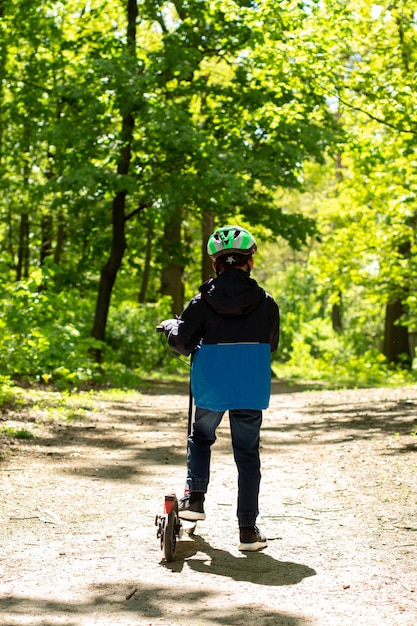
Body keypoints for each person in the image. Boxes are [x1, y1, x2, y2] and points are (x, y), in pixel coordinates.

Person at [159, 225, 280, 551]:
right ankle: (247, 530)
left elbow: (183, 342)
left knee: (201, 438)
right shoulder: (267, 303)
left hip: (212, 385)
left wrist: (170, 327)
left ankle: (195, 499)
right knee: (247, 454)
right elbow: (271, 345)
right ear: (249, 262)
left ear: (216, 265)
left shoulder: (201, 302)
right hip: (250, 387)